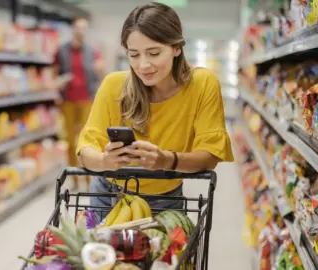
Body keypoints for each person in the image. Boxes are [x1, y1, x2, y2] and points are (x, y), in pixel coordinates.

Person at [75, 3, 234, 220]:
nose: (143, 65)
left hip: (165, 200)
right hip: (108, 196)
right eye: (134, 55)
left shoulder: (202, 84)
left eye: (154, 53)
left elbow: (210, 156)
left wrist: (165, 160)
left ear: (176, 47)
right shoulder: (114, 85)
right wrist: (105, 161)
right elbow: (85, 150)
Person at [54, 16, 105, 190]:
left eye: (84, 28)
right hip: (67, 100)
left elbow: (100, 72)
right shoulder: (61, 51)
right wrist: (58, 83)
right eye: (78, 28)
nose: (81, 31)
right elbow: (54, 74)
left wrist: (100, 70)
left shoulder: (92, 51)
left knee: (87, 140)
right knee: (70, 140)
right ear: (73, 29)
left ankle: (89, 178)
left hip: (87, 100)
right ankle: (74, 178)